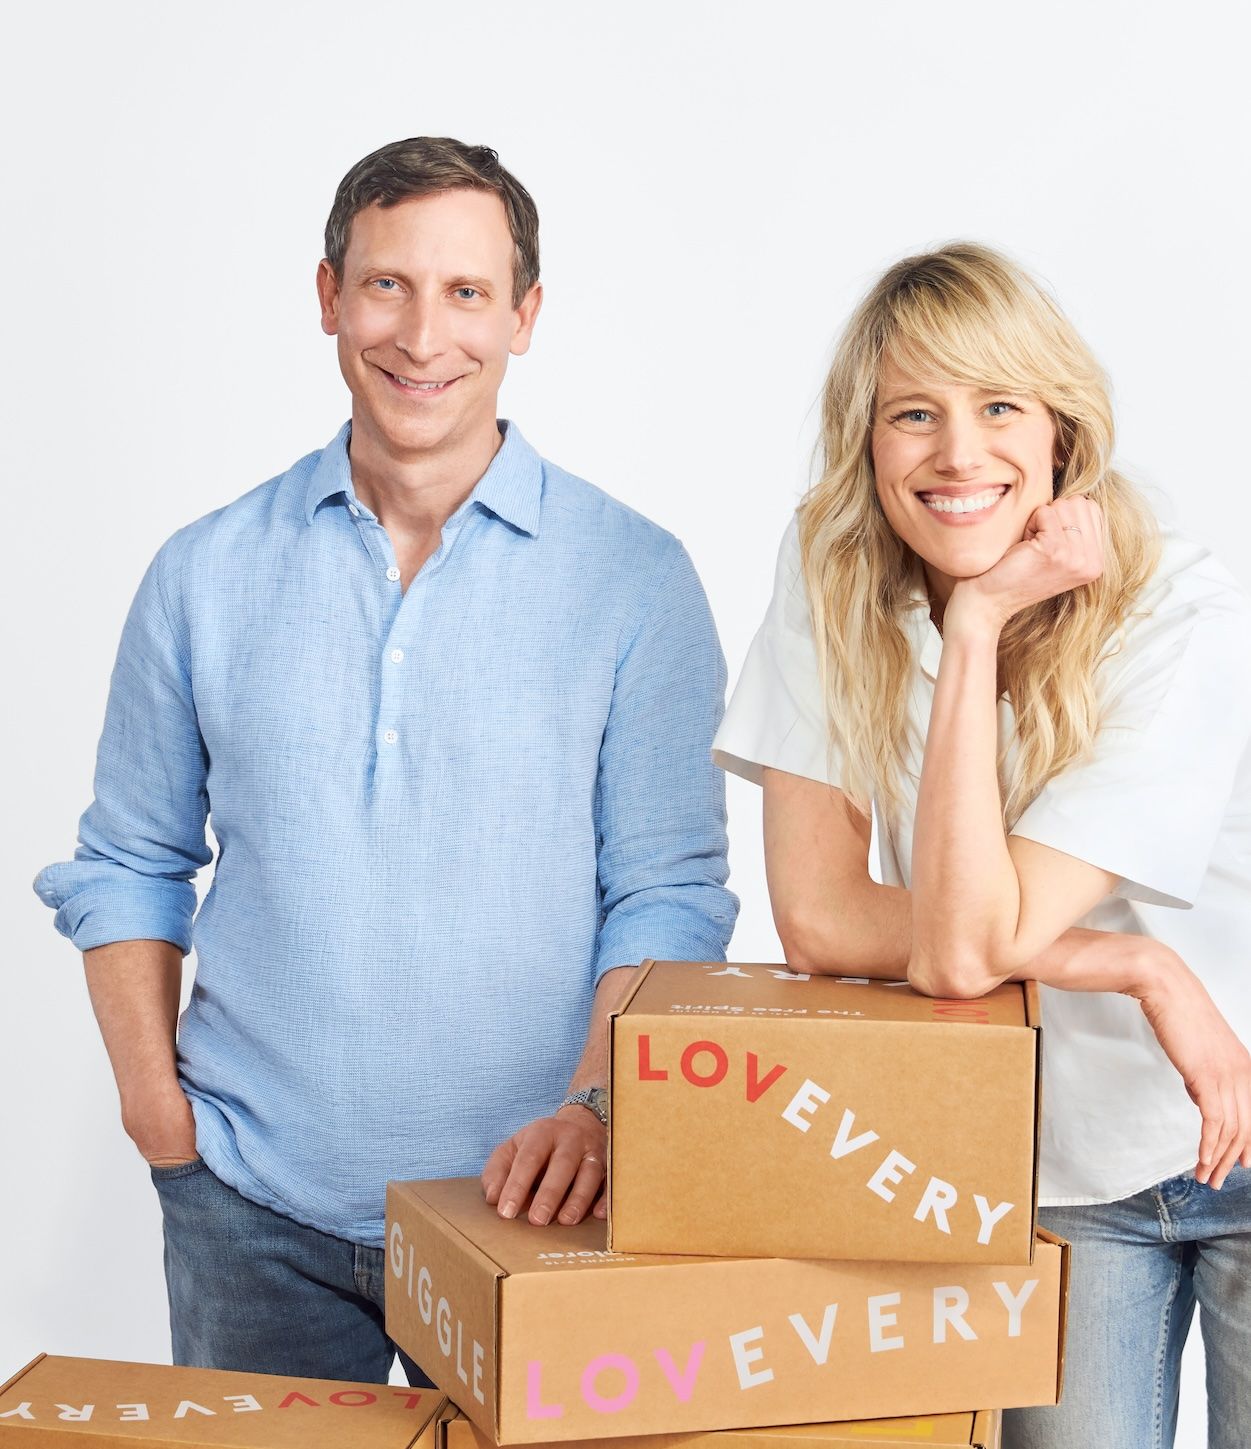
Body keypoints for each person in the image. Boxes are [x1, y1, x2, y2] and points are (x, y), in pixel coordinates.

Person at [34, 136, 736, 1383]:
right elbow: (130, 863)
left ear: (525, 317)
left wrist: (597, 1115)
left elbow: (667, 897)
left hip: (543, 1212)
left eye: (467, 292)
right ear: (327, 298)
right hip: (252, 1213)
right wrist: (160, 1120)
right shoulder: (204, 571)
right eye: (386, 286)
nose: (424, 335)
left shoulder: (635, 580)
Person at [713, 243, 1251, 1449]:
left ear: (1061, 433)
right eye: (915, 414)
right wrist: (978, 626)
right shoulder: (834, 573)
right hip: (1052, 1163)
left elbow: (961, 942)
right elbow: (823, 921)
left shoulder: (1181, 612)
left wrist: (1028, 939)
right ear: (867, 442)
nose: (960, 455)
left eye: (998, 406)